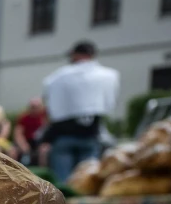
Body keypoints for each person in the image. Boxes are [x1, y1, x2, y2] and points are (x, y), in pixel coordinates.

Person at [41, 41, 120, 181]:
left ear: (76, 55)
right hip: (90, 133)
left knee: (63, 182)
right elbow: (109, 103)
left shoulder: (59, 77)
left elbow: (50, 101)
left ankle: (64, 201)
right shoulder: (107, 75)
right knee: (86, 180)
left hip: (64, 134)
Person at [13, 97, 48, 165]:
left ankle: (42, 172)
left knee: (44, 151)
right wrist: (23, 145)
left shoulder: (46, 117)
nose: (34, 109)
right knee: (13, 151)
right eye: (32, 107)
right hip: (27, 141)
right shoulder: (23, 118)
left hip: (40, 142)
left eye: (36, 107)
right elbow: (18, 134)